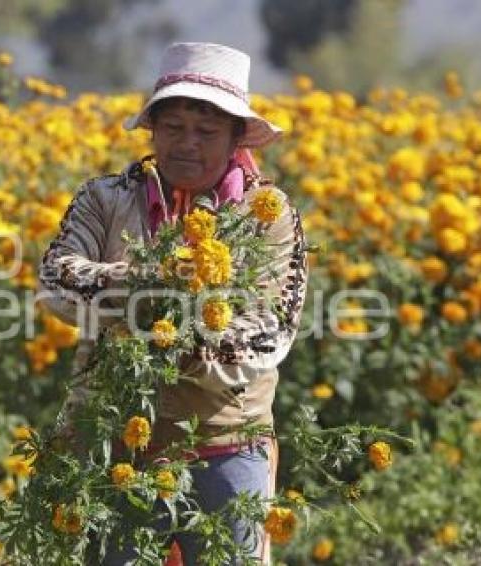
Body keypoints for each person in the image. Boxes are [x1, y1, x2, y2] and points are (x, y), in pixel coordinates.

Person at [37, 42, 309, 565]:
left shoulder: (269, 215)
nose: (187, 143)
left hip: (227, 442)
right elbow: (58, 278)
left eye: (206, 132)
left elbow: (269, 329)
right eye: (173, 127)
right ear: (152, 131)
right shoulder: (105, 198)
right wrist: (147, 285)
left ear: (234, 139)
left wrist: (178, 332)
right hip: (117, 442)